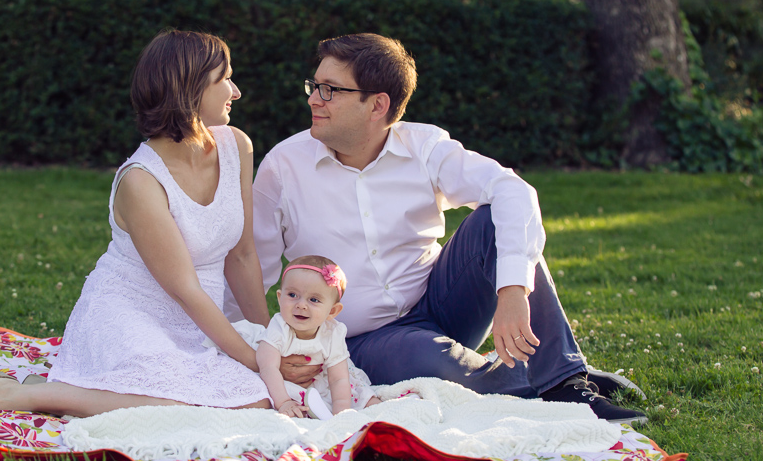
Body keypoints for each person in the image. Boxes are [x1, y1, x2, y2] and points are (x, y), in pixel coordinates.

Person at [234, 33, 647, 425]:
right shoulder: (284, 167)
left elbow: (512, 189)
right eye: (314, 86)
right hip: (364, 337)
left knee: (492, 218)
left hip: (443, 302)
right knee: (438, 368)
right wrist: (260, 347)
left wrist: (513, 290)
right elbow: (253, 264)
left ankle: (566, 382)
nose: (313, 98)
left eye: (329, 90)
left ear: (377, 105)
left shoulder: (424, 146)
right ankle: (556, 373)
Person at [0, 29, 275, 418]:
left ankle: (63, 392)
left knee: (256, 399)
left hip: (200, 322)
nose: (236, 91)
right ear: (189, 89)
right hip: (130, 314)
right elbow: (184, 289)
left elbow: (242, 256)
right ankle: (17, 397)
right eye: (225, 78)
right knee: (213, 403)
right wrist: (253, 360)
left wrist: (271, 344)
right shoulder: (141, 180)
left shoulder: (237, 146)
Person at [255, 255, 380, 420]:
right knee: (263, 390)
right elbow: (268, 368)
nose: (301, 305)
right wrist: (284, 402)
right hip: (281, 381)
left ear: (332, 311)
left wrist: (341, 414)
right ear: (279, 297)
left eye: (314, 300)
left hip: (324, 377)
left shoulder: (333, 333)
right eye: (292, 295)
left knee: (358, 394)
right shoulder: (279, 327)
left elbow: (338, 378)